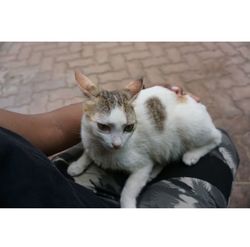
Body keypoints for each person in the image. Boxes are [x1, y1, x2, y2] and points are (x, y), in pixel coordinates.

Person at [0, 86, 239, 208]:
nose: (116, 142)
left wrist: (127, 98)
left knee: (201, 131)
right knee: (221, 144)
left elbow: (53, 127)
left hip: (48, 177)